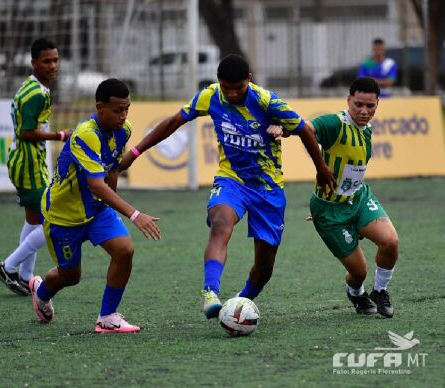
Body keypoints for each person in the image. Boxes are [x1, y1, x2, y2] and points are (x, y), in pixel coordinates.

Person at [119, 54, 335, 319]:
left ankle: (241, 302)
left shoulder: (267, 101)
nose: (231, 93)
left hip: (268, 188)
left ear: (249, 81)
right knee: (221, 222)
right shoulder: (210, 96)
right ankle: (210, 292)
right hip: (231, 179)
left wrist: (321, 168)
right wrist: (135, 153)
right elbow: (173, 122)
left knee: (264, 267)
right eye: (226, 87)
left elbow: (303, 129)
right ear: (218, 82)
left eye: (238, 88)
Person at [29, 78, 161, 333]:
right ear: (100, 107)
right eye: (117, 110)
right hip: (63, 216)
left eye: (127, 109)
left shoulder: (124, 130)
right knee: (71, 276)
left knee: (124, 251)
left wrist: (113, 205)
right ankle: (41, 291)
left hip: (97, 210)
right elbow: (96, 185)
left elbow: (111, 169)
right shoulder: (85, 135)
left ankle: (108, 317)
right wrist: (134, 214)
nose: (123, 116)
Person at [306, 77, 398, 318]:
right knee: (359, 272)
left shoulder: (367, 129)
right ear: (348, 100)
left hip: (358, 199)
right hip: (329, 212)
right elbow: (306, 129)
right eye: (358, 104)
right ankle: (356, 293)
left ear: (378, 103)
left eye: (370, 106)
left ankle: (380, 291)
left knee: (390, 242)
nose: (364, 111)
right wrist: (281, 129)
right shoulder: (336, 123)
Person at [0, 39, 72, 296]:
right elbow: (27, 132)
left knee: (34, 219)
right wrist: (60, 136)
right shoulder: (36, 93)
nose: (52, 65)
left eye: (55, 60)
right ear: (34, 62)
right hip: (28, 164)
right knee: (51, 221)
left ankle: (25, 276)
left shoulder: (35, 88)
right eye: (46, 61)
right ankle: (9, 266)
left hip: (28, 161)